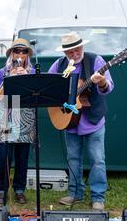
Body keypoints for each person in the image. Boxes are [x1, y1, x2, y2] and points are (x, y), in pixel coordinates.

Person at [48, 31, 114, 211]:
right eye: (70, 53)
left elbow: (109, 86)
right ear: (64, 53)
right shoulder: (59, 64)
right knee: (74, 159)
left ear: (82, 47)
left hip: (93, 120)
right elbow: (49, 86)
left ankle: (98, 197)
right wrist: (59, 98)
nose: (74, 55)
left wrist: (101, 83)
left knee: (97, 160)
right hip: (70, 121)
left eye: (77, 50)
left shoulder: (96, 61)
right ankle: (75, 193)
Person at [0, 38, 36, 205]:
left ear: (27, 55)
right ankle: (1, 190)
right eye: (17, 51)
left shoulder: (31, 73)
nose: (20, 54)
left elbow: (35, 96)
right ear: (11, 53)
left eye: (24, 52)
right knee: (4, 156)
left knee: (22, 157)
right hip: (6, 119)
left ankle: (19, 189)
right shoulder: (1, 73)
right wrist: (10, 77)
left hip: (25, 119)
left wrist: (27, 79)